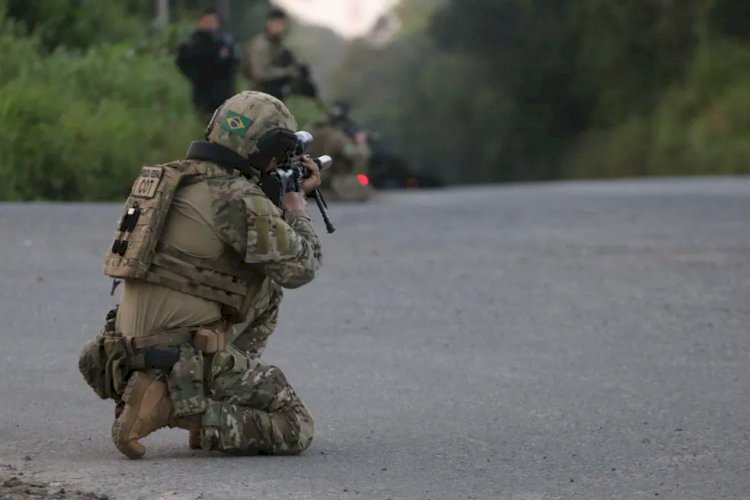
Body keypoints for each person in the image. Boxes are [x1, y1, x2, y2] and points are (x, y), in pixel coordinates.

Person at [79, 91, 322, 459]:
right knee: (295, 424)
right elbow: (300, 267)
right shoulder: (238, 198)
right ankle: (189, 409)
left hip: (122, 354)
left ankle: (175, 393)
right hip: (176, 356)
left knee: (264, 286)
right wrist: (295, 209)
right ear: (266, 150)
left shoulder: (170, 178)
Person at [176, 9, 239, 117]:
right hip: (204, 96)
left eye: (213, 21)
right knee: (209, 126)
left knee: (237, 129)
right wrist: (196, 76)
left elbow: (234, 63)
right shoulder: (192, 44)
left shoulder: (225, 41)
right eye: (207, 21)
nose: (210, 24)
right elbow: (183, 62)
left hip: (225, 95)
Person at [310, 101, 374, 201]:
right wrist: (361, 143)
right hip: (331, 185)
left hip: (309, 182)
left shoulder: (310, 133)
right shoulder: (336, 137)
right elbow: (357, 156)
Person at [241, 8, 299, 101]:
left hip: (274, 97)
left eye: (281, 23)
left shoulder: (278, 45)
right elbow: (259, 74)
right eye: (276, 23)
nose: (279, 27)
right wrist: (286, 72)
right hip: (259, 96)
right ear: (268, 23)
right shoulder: (260, 44)